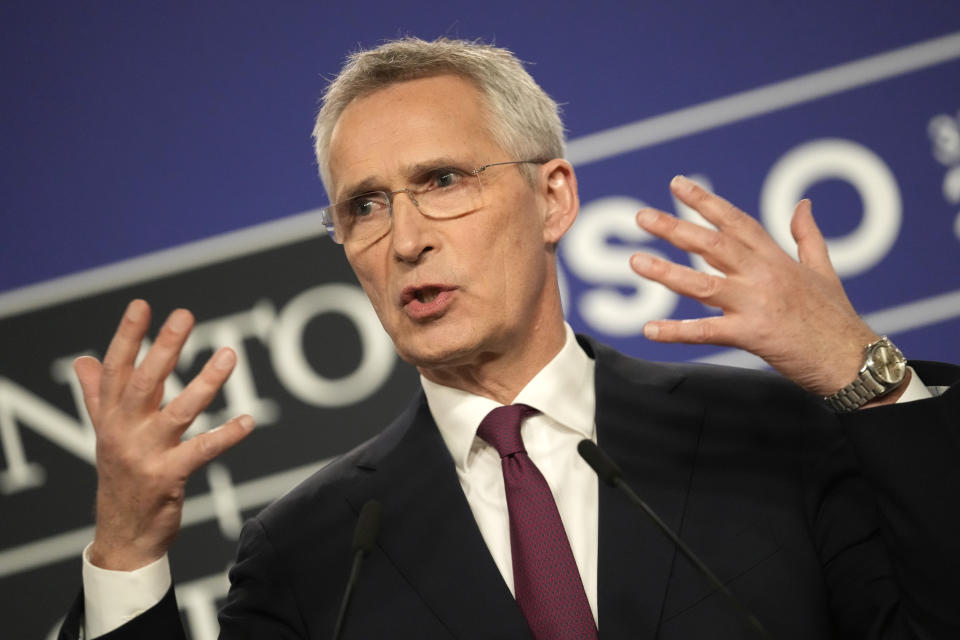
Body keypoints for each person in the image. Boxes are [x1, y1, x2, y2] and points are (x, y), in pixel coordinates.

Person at [59, 37, 959, 639]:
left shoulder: (769, 435)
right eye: (364, 206)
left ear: (554, 198)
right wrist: (128, 551)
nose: (405, 238)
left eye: (443, 179)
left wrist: (864, 376)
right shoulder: (309, 553)